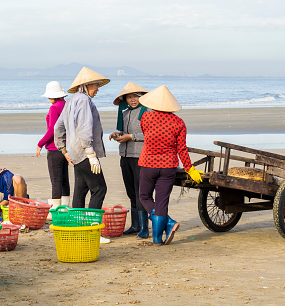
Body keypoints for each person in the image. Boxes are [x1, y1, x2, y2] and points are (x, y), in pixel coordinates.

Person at [138, 85, 203, 246]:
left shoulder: (146, 117)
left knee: (144, 196)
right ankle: (157, 238)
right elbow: (182, 149)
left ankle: (169, 223)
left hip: (149, 164)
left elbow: (145, 132)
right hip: (168, 167)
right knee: (162, 202)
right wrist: (190, 168)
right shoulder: (179, 122)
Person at [54, 67, 110, 210]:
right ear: (86, 85)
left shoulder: (70, 101)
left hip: (74, 153)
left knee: (80, 190)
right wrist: (91, 155)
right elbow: (84, 129)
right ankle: (92, 224)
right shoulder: (84, 100)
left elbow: (58, 127)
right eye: (96, 85)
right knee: (99, 189)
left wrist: (64, 150)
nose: (98, 88)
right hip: (84, 153)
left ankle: (76, 225)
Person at [109, 82, 150, 237]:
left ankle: (145, 229)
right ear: (125, 99)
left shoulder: (147, 112)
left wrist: (131, 137)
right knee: (131, 192)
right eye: (129, 97)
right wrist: (116, 134)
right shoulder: (124, 113)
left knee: (141, 193)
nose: (133, 100)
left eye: (136, 96)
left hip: (140, 157)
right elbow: (122, 132)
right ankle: (135, 225)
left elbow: (151, 135)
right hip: (125, 157)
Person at [36, 81, 70, 212]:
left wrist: (40, 143)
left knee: (56, 180)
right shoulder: (66, 105)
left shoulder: (54, 107)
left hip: (55, 149)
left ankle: (56, 209)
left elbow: (53, 130)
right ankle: (66, 208)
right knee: (64, 179)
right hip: (66, 148)